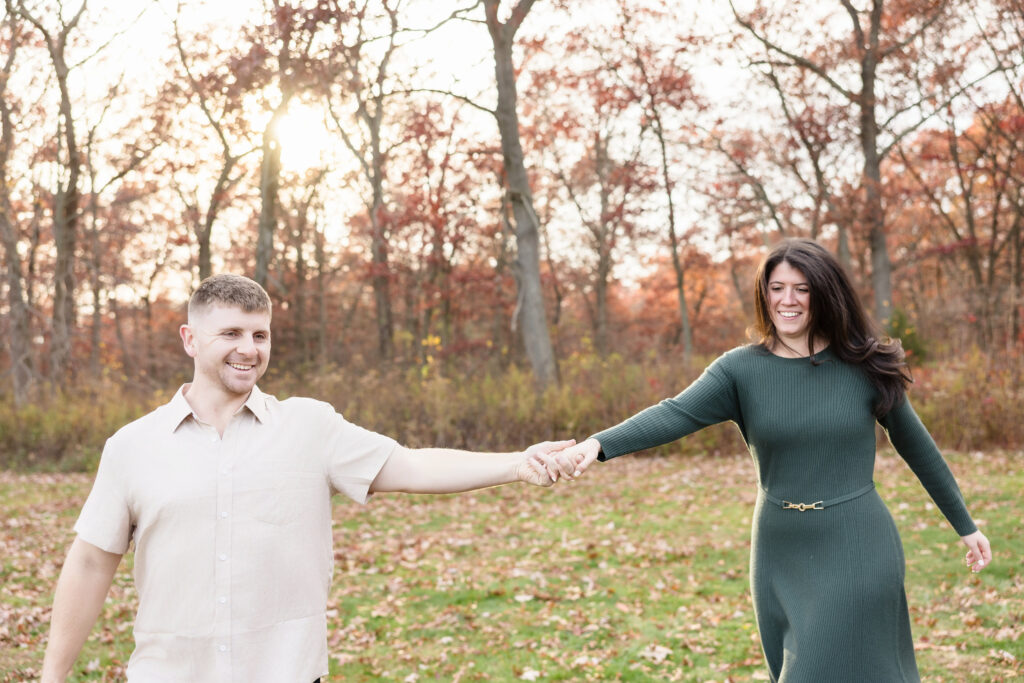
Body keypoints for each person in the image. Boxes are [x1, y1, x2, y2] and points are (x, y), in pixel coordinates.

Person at [41, 274, 572, 683]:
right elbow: (91, 561)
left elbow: (409, 464)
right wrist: (52, 676)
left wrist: (513, 463)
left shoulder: (310, 426)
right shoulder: (133, 446)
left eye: (260, 334)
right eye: (230, 333)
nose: (248, 348)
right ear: (190, 339)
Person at [553, 238, 992, 682]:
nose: (788, 300)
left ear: (824, 293)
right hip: (779, 549)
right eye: (777, 287)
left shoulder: (864, 365)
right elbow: (676, 412)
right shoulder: (739, 370)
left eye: (801, 289)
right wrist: (598, 444)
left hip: (858, 544)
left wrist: (965, 525)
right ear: (764, 294)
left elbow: (917, 446)